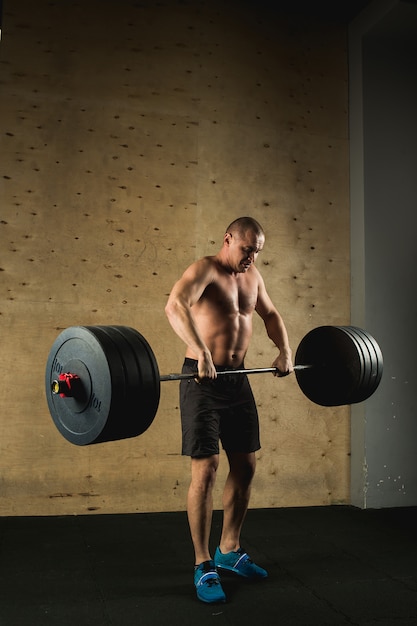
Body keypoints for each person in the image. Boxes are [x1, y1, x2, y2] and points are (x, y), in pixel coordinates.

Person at [165, 217, 293, 604]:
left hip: (237, 381)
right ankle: (203, 565)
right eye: (247, 249)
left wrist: (285, 349)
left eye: (257, 252)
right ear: (228, 240)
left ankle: (229, 551)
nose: (252, 257)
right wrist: (201, 351)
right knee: (206, 470)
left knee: (247, 465)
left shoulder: (253, 278)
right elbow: (174, 306)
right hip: (202, 381)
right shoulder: (205, 269)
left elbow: (269, 315)